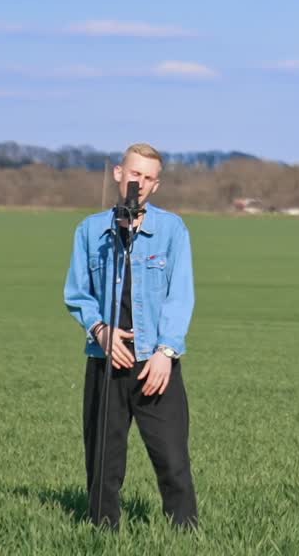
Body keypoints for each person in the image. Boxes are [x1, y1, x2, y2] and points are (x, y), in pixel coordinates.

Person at [64, 142, 198, 530]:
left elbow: (180, 294)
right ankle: (103, 532)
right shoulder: (91, 230)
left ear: (157, 186)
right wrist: (100, 331)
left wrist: (165, 353)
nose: (140, 182)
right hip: (106, 362)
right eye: (135, 174)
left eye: (149, 178)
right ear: (119, 174)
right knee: (104, 460)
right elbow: (77, 293)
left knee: (172, 460)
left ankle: (186, 536)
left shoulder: (171, 229)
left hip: (155, 363)